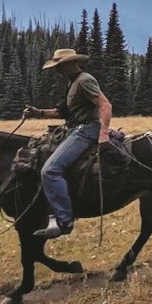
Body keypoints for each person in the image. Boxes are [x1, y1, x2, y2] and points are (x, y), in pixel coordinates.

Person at [23, 48, 112, 239]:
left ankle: (64, 220)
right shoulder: (73, 83)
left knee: (50, 170)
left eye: (61, 66)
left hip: (86, 130)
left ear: (73, 64)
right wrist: (38, 113)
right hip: (74, 129)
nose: (58, 71)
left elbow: (105, 105)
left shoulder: (84, 80)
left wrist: (103, 133)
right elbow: (63, 112)